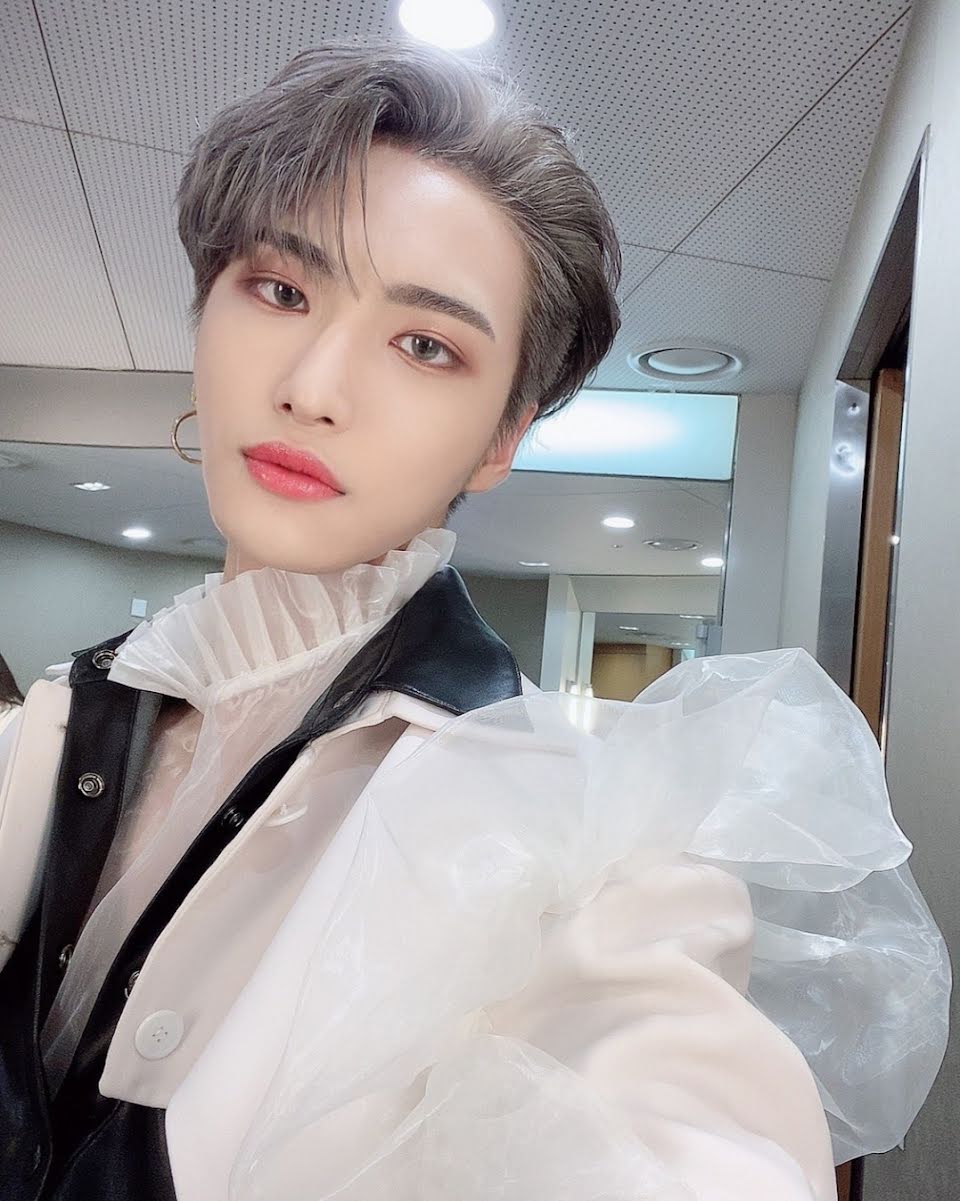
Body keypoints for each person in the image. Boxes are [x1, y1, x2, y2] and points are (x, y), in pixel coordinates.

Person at [0, 40, 948, 1201]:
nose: (313, 386)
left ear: (502, 437)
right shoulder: (60, 718)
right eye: (282, 289)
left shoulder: (565, 839)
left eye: (426, 345)